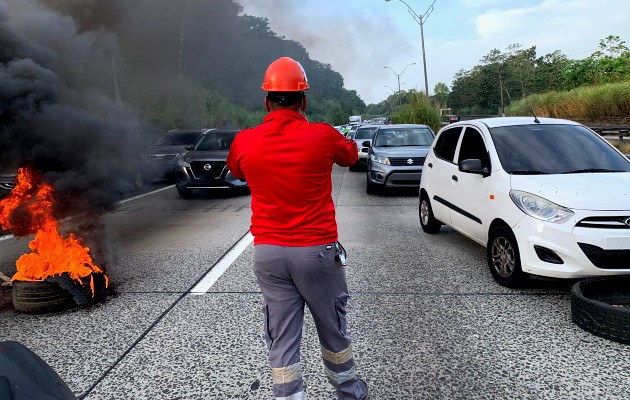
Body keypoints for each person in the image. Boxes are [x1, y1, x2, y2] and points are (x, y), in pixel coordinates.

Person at [226, 57, 369, 400]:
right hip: (316, 253)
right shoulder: (321, 135)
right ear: (304, 100)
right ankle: (349, 392)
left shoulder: (245, 141)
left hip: (269, 255)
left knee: (282, 337)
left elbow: (238, 172)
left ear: (266, 100)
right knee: (332, 330)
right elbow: (351, 156)